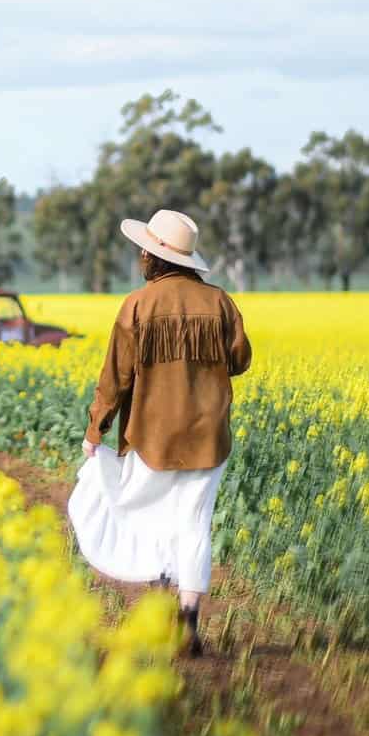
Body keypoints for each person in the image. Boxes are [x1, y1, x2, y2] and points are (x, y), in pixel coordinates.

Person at [67, 208, 252, 656]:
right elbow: (241, 360)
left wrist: (96, 430)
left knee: (151, 518)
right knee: (194, 524)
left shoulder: (137, 304)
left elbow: (116, 378)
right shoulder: (221, 302)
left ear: (154, 257)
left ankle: (159, 608)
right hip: (208, 437)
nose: (140, 258)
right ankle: (187, 621)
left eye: (143, 251)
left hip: (151, 437)